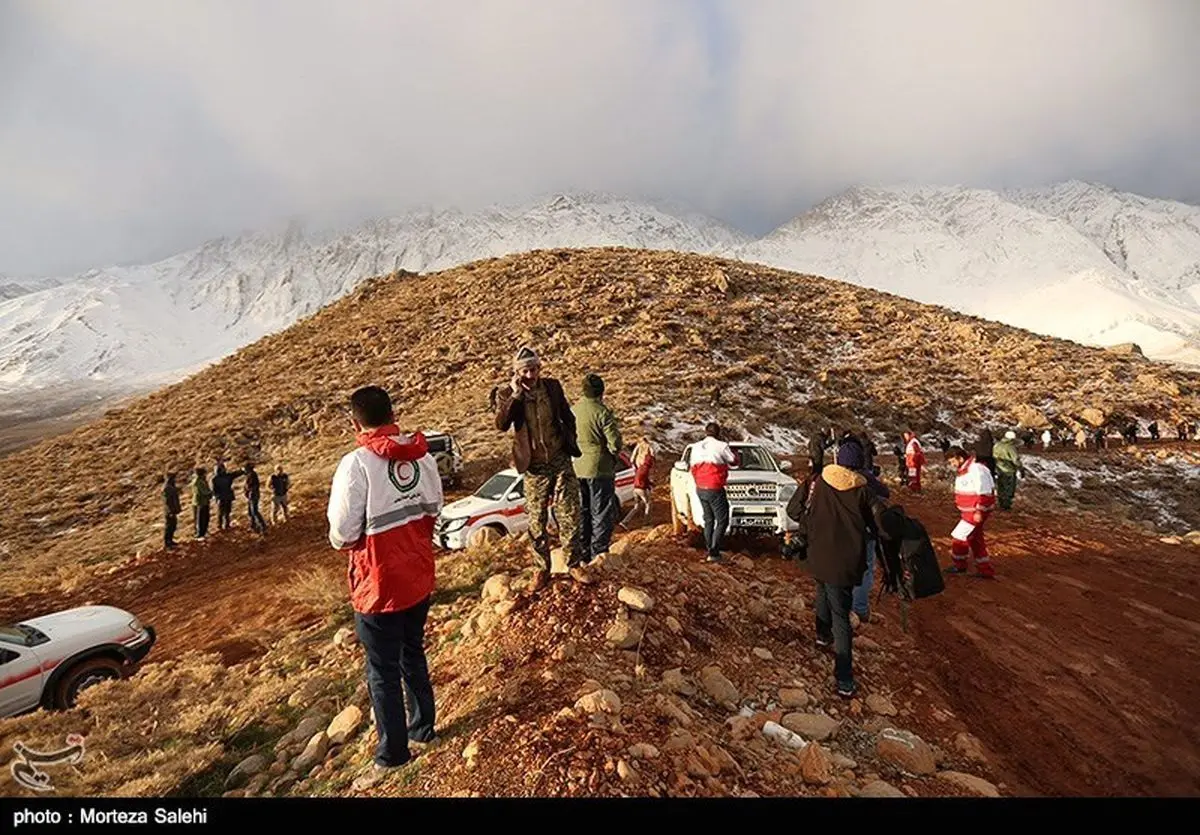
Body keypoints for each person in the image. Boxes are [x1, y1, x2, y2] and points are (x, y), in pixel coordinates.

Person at [327, 386, 443, 791]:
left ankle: (393, 755)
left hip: (378, 585)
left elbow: (342, 532)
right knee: (413, 652)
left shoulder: (356, 464)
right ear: (393, 415)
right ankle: (423, 729)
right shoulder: (423, 456)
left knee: (382, 671)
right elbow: (435, 507)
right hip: (417, 574)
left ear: (354, 423)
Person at [796, 443, 887, 699]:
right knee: (841, 616)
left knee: (823, 590)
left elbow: (798, 510)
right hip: (845, 561)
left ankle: (822, 635)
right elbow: (880, 525)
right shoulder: (862, 491)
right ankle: (844, 678)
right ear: (859, 465)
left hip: (818, 553)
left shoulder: (819, 483)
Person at [493, 346, 585, 591]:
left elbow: (567, 415)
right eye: (525, 371)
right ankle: (541, 569)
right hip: (533, 466)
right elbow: (501, 424)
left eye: (534, 369)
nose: (531, 375)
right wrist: (516, 395)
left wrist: (570, 439)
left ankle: (573, 563)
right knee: (536, 519)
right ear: (516, 372)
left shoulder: (552, 387)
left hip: (559, 459)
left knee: (570, 512)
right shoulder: (506, 393)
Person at [836, 442, 890, 623]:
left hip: (840, 531)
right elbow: (884, 494)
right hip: (864, 531)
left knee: (842, 567)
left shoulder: (831, 479)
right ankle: (859, 608)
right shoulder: (865, 479)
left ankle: (841, 606)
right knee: (865, 569)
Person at [572, 373, 623, 563]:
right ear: (601, 391)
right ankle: (598, 554)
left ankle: (582, 552)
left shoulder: (573, 410)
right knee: (600, 512)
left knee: (582, 511)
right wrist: (613, 454)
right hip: (600, 468)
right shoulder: (602, 412)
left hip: (577, 467)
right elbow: (615, 443)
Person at [689, 422, 737, 563]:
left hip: (700, 487)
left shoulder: (696, 447)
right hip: (715, 486)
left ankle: (710, 549)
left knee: (708, 519)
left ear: (706, 432)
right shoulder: (721, 446)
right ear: (718, 433)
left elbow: (692, 467)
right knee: (722, 520)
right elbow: (734, 461)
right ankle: (714, 552)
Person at [945, 446, 996, 577]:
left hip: (974, 512)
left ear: (960, 458)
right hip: (970, 511)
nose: (952, 465)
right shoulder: (965, 470)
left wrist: (979, 510)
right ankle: (984, 569)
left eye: (952, 461)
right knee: (975, 538)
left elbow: (985, 491)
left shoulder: (977, 469)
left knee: (959, 536)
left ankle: (960, 565)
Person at [624, 436, 656, 524]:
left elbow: (632, 458)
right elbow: (644, 480)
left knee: (636, 506)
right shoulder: (645, 468)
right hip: (641, 488)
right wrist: (650, 485)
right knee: (648, 504)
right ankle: (646, 522)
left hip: (635, 488)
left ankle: (625, 522)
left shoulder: (639, 468)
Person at [993, 431, 1026, 511]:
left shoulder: (997, 445)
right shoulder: (1010, 447)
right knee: (1009, 487)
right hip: (1009, 470)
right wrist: (1021, 469)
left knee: (1001, 486)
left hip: (999, 468)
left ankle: (1001, 502)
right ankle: (1006, 505)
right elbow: (1016, 460)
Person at [212, 461, 244, 531]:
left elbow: (214, 490)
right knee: (225, 512)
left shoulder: (215, 479)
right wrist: (242, 470)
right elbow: (235, 474)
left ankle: (221, 526)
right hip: (226, 496)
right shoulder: (226, 476)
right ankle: (224, 525)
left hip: (221, 497)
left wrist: (216, 497)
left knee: (222, 512)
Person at [243, 462, 268, 535]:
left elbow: (252, 486)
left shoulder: (252, 475)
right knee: (251, 512)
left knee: (254, 511)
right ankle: (253, 526)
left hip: (253, 496)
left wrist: (249, 492)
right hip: (252, 495)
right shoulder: (251, 474)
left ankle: (262, 526)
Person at [191, 467, 212, 539]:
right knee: (200, 519)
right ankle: (199, 534)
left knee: (205, 518)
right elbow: (203, 492)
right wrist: (211, 493)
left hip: (204, 502)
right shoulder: (197, 482)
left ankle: (204, 532)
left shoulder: (202, 480)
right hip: (199, 502)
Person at [163, 472, 181, 549]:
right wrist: (170, 511)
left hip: (172, 510)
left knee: (173, 525)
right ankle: (167, 543)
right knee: (169, 526)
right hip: (170, 511)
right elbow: (168, 502)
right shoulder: (167, 488)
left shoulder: (170, 487)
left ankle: (170, 540)